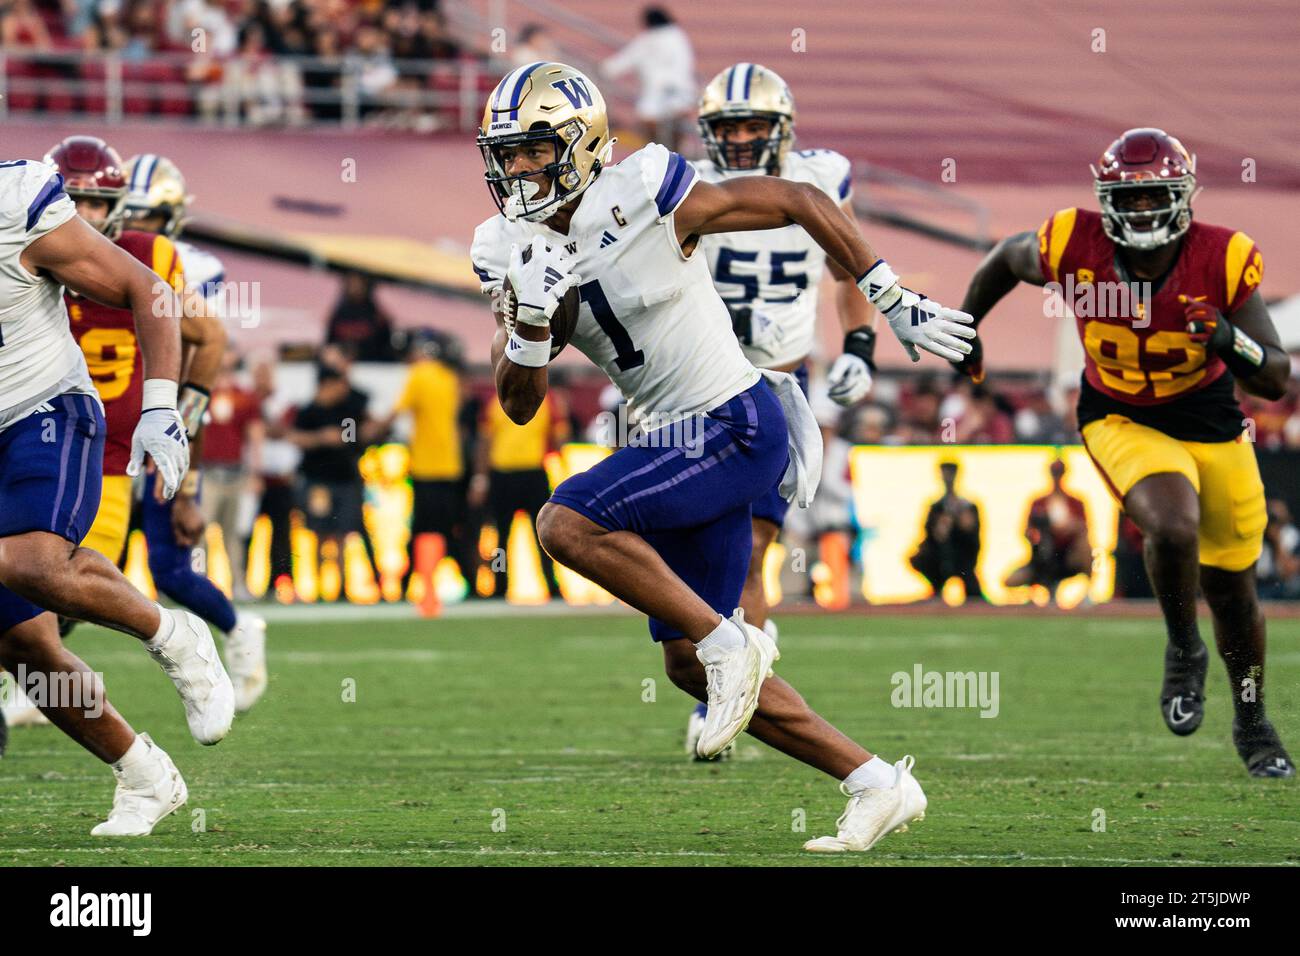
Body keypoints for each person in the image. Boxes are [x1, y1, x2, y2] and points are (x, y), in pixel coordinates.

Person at [471, 62, 976, 851]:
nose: (519, 169)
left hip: (734, 419)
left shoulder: (643, 187)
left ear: (582, 142)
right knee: (685, 663)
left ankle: (733, 641)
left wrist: (886, 299)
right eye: (507, 153)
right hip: (665, 437)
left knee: (565, 523)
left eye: (536, 148)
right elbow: (519, 400)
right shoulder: (501, 244)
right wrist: (530, 322)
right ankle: (878, 782)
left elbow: (800, 201)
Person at [953, 127, 1293, 777]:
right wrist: (969, 327)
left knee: (1232, 590)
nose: (1139, 212)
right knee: (1171, 523)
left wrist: (1226, 336)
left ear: (1182, 197)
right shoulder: (1071, 243)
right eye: (1127, 200)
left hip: (1211, 417)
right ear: (1106, 201)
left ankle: (1253, 722)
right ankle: (1183, 650)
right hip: (1119, 413)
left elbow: (1273, 378)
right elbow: (1003, 258)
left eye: (1153, 198)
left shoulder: (1221, 257)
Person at [0, 151, 232, 834]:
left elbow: (152, 293)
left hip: (44, 407)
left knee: (31, 563)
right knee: (22, 644)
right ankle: (142, 774)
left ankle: (177, 638)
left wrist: (164, 405)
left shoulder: (14, 203)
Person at [682, 63, 878, 758]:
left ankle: (733, 698)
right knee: (698, 560)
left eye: (752, 126)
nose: (738, 139)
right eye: (726, 128)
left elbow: (848, 266)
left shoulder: (823, 179)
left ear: (782, 130)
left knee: (752, 552)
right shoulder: (681, 184)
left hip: (774, 390)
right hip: (693, 390)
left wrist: (860, 343)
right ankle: (730, 663)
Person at [121, 151, 267, 711]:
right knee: (66, 558)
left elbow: (192, 379)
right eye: (127, 216)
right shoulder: (85, 252)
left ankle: (236, 628)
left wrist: (188, 478)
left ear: (172, 218)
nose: (135, 231)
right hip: (100, 424)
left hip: (161, 422)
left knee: (170, 570)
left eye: (148, 219)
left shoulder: (193, 270)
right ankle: (43, 684)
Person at [290, 363, 382, 596]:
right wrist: (321, 438)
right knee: (319, 532)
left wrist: (360, 433)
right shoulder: (309, 411)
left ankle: (341, 586)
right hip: (318, 481)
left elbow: (358, 434)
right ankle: (320, 586)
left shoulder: (349, 410)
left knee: (343, 533)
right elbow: (295, 438)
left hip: (346, 480)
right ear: (327, 385)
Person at [601, 7, 696, 151]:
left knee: (650, 120)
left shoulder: (649, 39)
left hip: (658, 90)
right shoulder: (678, 36)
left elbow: (626, 59)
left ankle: (657, 152)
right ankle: (673, 153)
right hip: (679, 89)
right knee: (675, 124)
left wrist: (606, 69)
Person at [1004, 459, 1092, 599]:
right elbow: (1027, 531)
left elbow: (1085, 529)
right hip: (1044, 556)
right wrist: (1041, 534)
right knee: (1010, 580)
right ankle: (1033, 596)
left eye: (1059, 473)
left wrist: (1068, 528)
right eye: (1054, 472)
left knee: (1086, 546)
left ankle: (1088, 593)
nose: (1057, 477)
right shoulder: (1039, 502)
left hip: (1067, 556)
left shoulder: (1075, 502)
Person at [911, 461, 983, 602]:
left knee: (973, 593)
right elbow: (934, 534)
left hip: (963, 558)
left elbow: (971, 532)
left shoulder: (967, 506)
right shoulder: (937, 507)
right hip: (940, 557)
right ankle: (936, 587)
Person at [325, 272, 398, 362]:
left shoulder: (376, 314)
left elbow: (385, 345)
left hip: (371, 365)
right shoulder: (339, 314)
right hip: (343, 364)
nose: (355, 288)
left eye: (358, 284)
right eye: (351, 284)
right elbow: (330, 343)